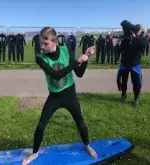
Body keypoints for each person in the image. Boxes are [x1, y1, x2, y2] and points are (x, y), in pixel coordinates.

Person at [22, 27, 97, 165]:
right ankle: (34, 153)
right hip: (55, 96)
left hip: (69, 94)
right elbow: (56, 75)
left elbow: (79, 73)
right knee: (40, 126)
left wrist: (85, 58)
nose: (42, 46)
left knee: (80, 123)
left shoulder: (65, 50)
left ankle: (87, 145)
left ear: (55, 42)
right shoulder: (40, 58)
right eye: (41, 43)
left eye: (45, 43)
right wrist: (78, 61)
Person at [117, 22, 149, 107]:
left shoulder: (142, 39)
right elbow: (123, 23)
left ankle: (136, 98)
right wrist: (119, 44)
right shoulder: (126, 39)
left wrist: (135, 36)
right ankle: (123, 96)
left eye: (137, 29)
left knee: (137, 83)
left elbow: (144, 44)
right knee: (124, 81)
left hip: (135, 65)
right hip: (124, 63)